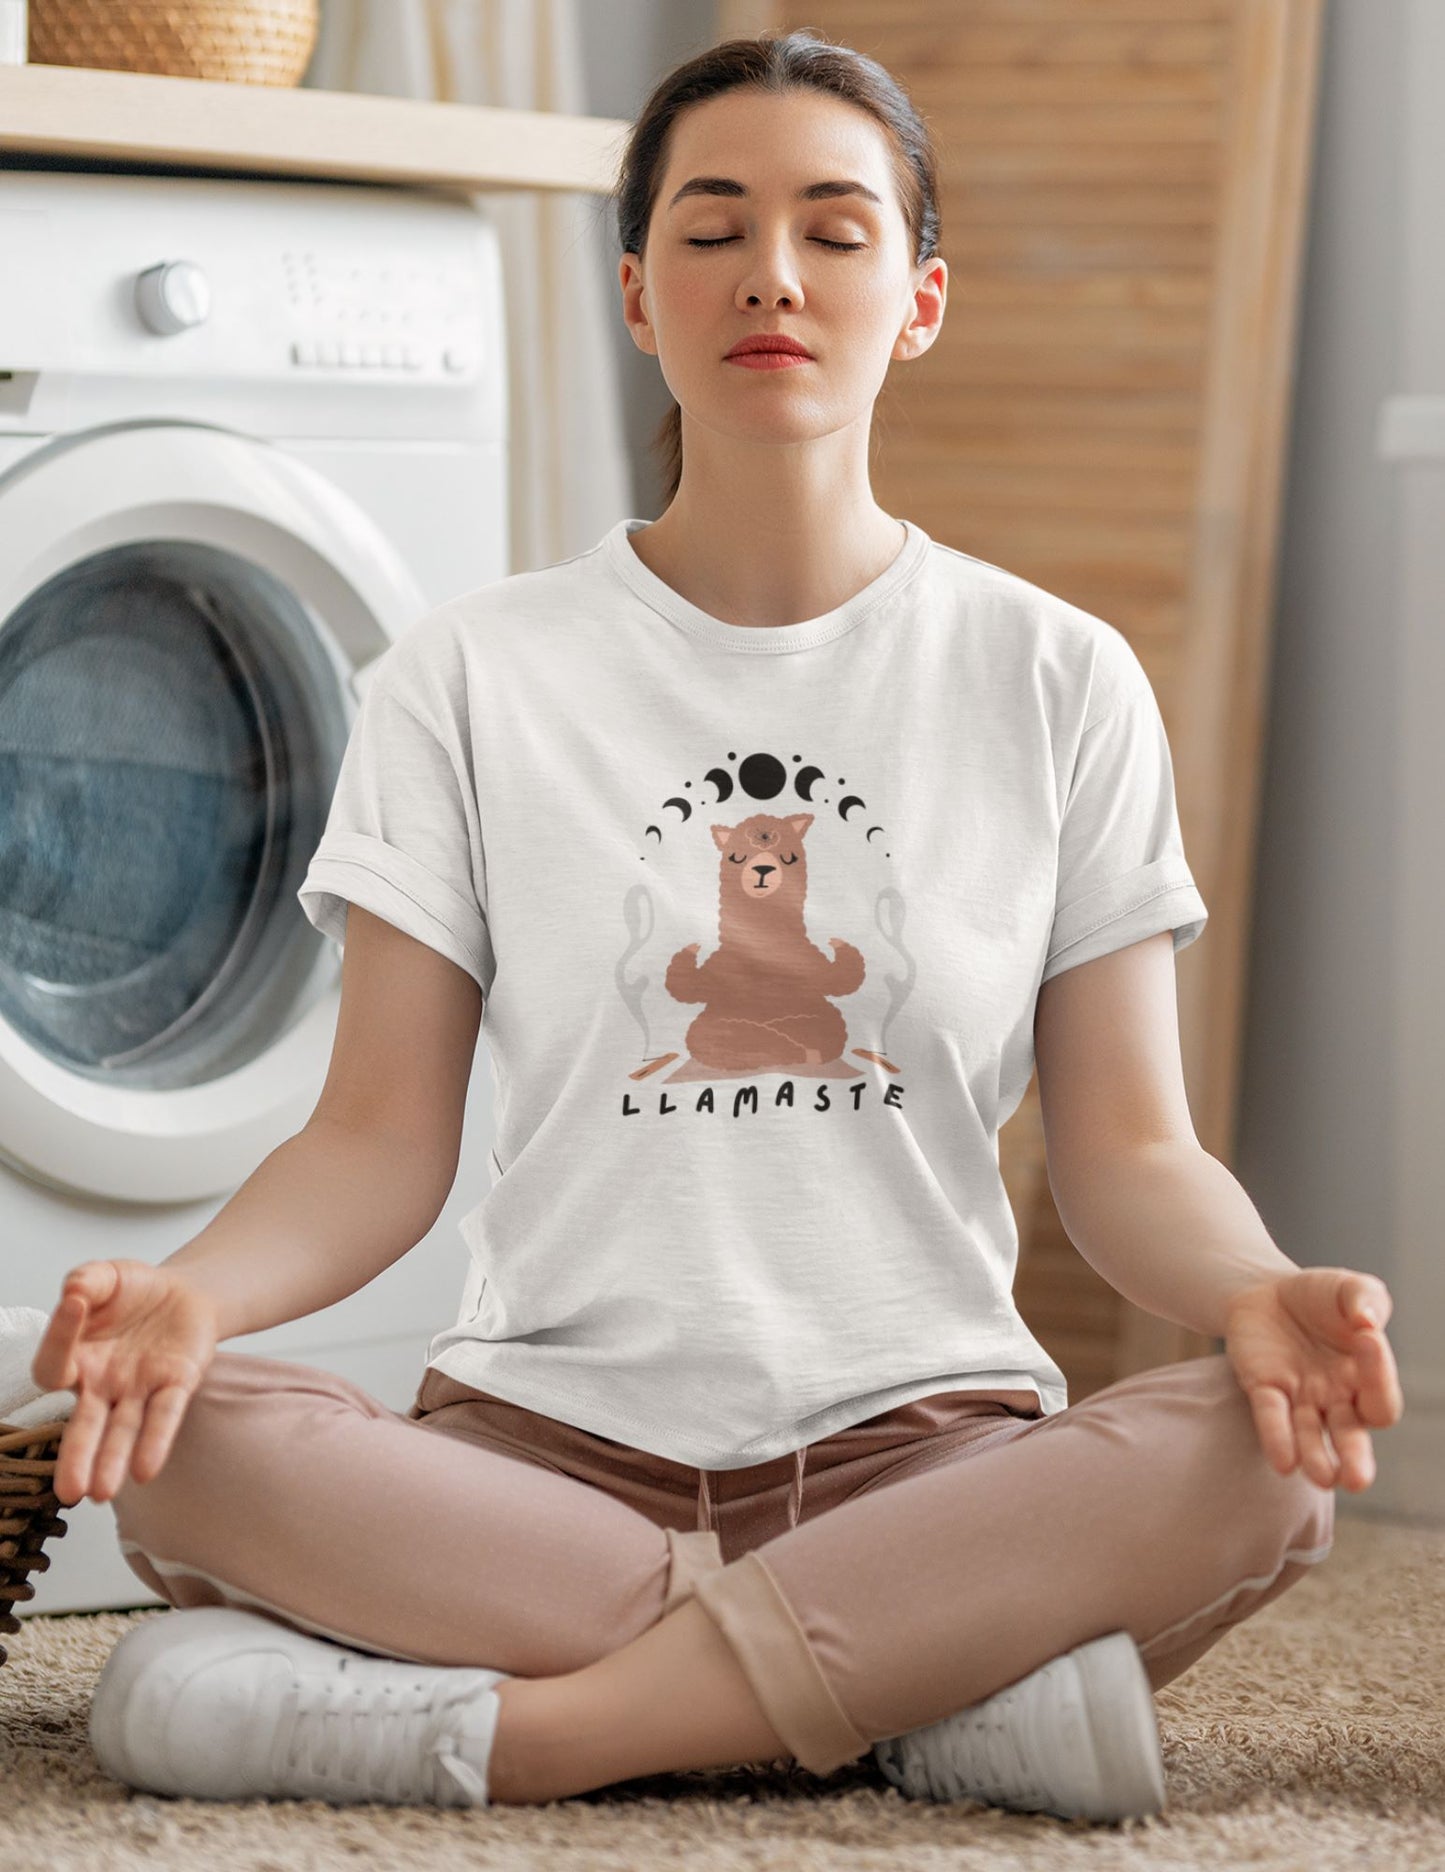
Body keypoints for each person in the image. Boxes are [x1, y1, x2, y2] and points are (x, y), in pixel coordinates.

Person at [33, 28, 1402, 1824]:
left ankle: (546, 1734)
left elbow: (1131, 1153)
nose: (771, 270)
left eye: (835, 230)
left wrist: (1251, 1292)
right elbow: (374, 1141)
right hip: (540, 1469)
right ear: (632, 292)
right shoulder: (471, 674)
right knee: (177, 1439)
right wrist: (191, 1298)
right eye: (712, 226)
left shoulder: (1055, 676)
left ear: (916, 300)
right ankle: (918, 1692)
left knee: (1258, 1451)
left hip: (928, 1458)